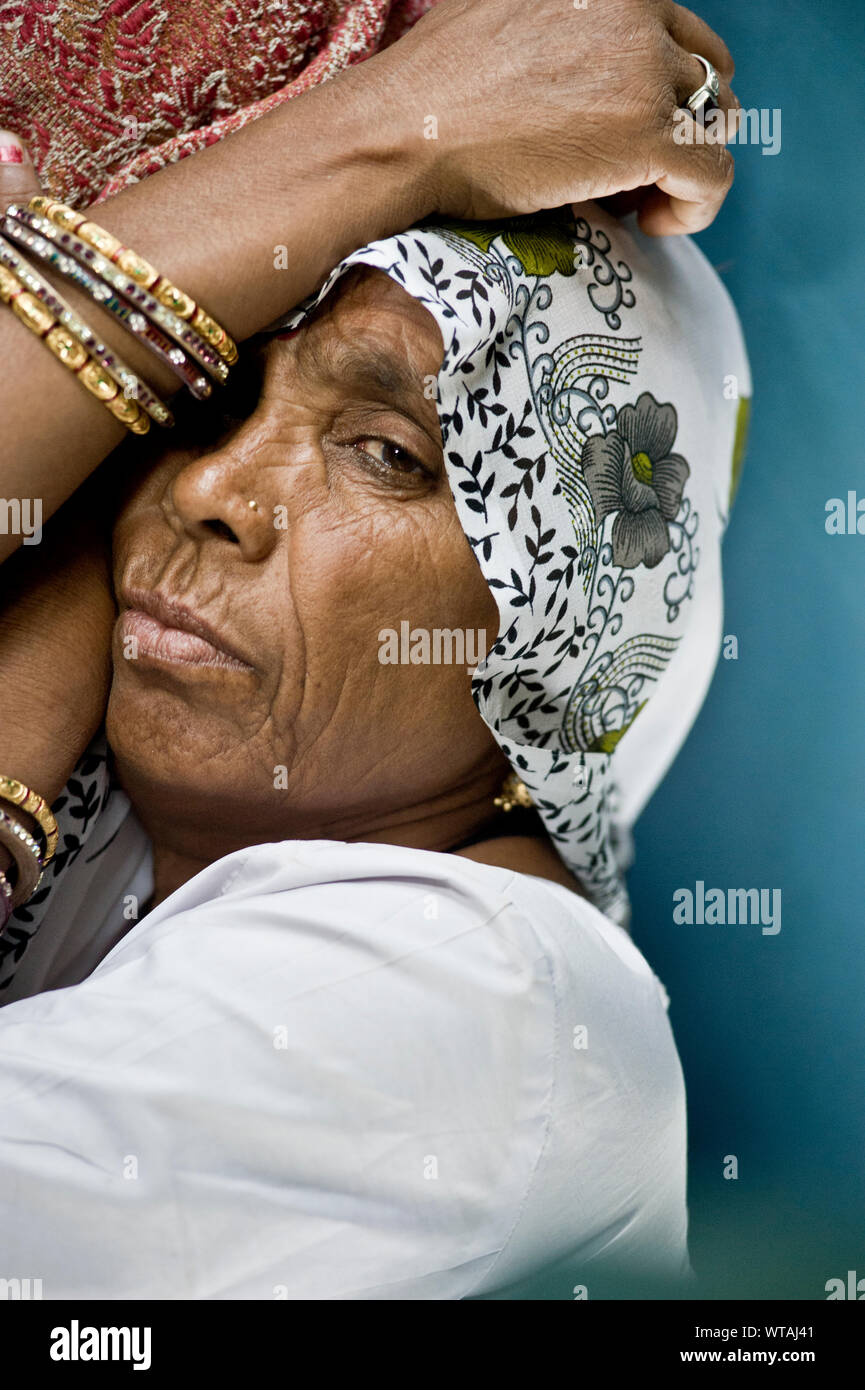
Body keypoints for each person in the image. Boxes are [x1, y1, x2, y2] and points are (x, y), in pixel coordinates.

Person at [0, 0, 748, 1299]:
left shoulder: (468, 988)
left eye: (390, 454)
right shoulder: (149, 877)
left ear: (562, 626)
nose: (209, 488)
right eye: (208, 395)